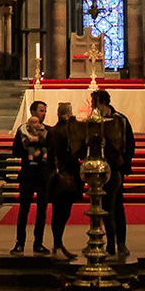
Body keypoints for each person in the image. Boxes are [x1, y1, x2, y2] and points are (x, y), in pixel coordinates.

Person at [89, 88, 136, 258]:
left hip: (115, 169)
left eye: (94, 103)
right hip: (98, 170)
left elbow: (129, 143)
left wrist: (124, 161)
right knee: (103, 207)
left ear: (102, 103)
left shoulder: (120, 120)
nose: (92, 107)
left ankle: (119, 243)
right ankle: (106, 242)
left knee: (114, 206)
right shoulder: (94, 119)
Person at [10, 99, 52, 254]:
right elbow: (15, 151)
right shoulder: (22, 131)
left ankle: (38, 243)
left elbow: (52, 149)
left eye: (45, 111)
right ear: (33, 112)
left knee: (42, 210)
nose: (44, 114)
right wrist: (29, 150)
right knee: (24, 209)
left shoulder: (48, 130)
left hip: (42, 175)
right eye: (41, 111)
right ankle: (19, 242)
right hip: (28, 174)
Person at [47, 101, 82, 259]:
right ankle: (58, 242)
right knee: (62, 211)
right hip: (65, 173)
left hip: (61, 172)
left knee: (60, 211)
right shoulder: (63, 130)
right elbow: (73, 150)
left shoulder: (56, 130)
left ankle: (58, 243)